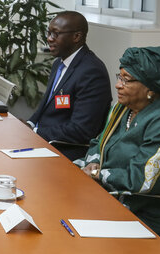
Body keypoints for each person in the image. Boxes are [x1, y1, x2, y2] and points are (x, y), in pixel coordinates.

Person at [75, 46, 160, 240]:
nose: (118, 85)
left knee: (69, 224)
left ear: (150, 88)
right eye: (119, 77)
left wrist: (98, 173)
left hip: (144, 214)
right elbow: (99, 141)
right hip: (109, 196)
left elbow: (143, 181)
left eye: (126, 80)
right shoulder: (123, 108)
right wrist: (90, 164)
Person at [27, 11, 112, 160]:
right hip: (42, 141)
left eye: (56, 34)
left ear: (76, 37)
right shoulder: (59, 63)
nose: (49, 39)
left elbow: (81, 130)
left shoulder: (91, 71)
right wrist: (29, 124)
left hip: (64, 150)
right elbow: (46, 105)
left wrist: (36, 131)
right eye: (48, 33)